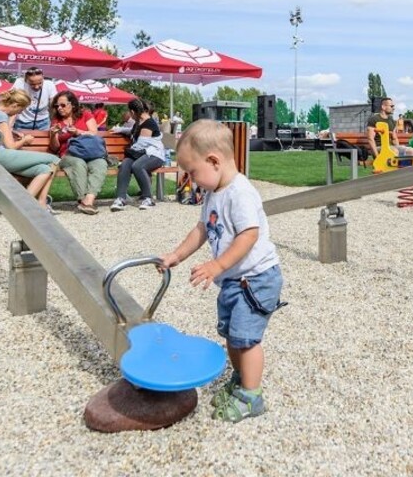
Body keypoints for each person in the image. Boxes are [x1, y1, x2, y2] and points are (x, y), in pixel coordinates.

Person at [158, 119, 283, 423]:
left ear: (213, 161)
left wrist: (217, 265)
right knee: (231, 334)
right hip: (233, 281)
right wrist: (178, 254)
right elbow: (202, 229)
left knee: (247, 339)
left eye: (192, 172)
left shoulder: (240, 192)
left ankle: (252, 396)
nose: (190, 179)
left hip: (255, 280)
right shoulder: (215, 193)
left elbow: (248, 235)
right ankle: (242, 380)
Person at [0, 89, 59, 211]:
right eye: (20, 110)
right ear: (15, 105)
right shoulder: (0, 115)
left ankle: (23, 204)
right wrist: (24, 140)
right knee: (54, 159)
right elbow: (11, 146)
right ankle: (41, 203)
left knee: (45, 169)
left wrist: (13, 131)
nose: (19, 113)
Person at [48, 90, 107, 215]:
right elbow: (54, 148)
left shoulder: (85, 115)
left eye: (63, 105)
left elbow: (94, 132)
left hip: (90, 153)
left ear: (73, 104)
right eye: (56, 106)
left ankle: (89, 200)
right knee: (78, 163)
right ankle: (82, 200)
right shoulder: (56, 121)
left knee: (100, 163)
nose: (59, 108)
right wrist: (53, 135)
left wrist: (77, 132)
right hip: (68, 154)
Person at [109, 98, 166, 211]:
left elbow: (140, 145)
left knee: (137, 166)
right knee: (125, 165)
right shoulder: (138, 122)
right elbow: (131, 131)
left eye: (130, 112)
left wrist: (128, 151)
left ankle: (148, 198)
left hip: (154, 154)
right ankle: (121, 198)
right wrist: (119, 129)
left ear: (133, 112)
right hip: (140, 154)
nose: (130, 115)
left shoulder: (149, 124)